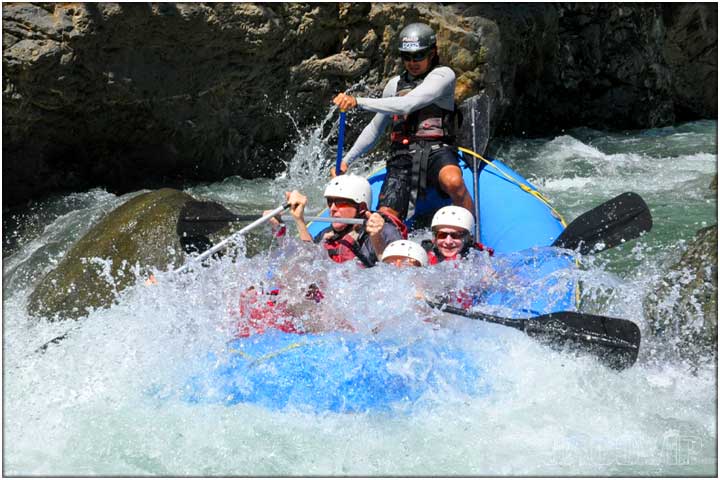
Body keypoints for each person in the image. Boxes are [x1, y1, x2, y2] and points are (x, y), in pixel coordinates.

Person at [332, 22, 474, 221]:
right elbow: (375, 128)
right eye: (406, 57)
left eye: (418, 56)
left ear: (432, 53)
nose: (412, 62)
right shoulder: (394, 85)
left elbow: (408, 104)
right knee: (384, 218)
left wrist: (357, 101)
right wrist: (347, 160)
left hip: (437, 150)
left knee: (453, 182)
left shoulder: (443, 75)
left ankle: (469, 234)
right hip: (402, 157)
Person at [271, 174, 405, 267]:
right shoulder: (327, 235)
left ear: (362, 208)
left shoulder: (385, 231)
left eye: (340, 203)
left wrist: (376, 238)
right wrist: (293, 223)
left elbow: (395, 276)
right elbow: (309, 266)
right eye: (330, 202)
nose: (332, 209)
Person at [423, 205, 493, 264]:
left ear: (468, 238)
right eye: (442, 235)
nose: (448, 242)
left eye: (455, 236)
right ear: (435, 238)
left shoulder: (481, 261)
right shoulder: (424, 254)